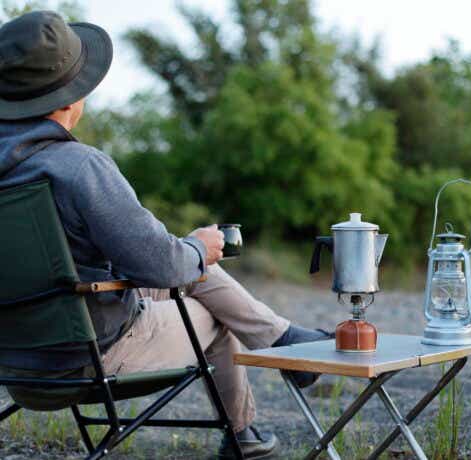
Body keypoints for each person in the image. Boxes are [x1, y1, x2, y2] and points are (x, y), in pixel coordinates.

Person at [0, 11, 330, 459]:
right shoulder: (80, 168)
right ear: (71, 100)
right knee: (210, 310)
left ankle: (285, 338)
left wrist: (188, 254)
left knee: (197, 271)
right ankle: (243, 436)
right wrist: (198, 247)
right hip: (84, 356)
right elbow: (162, 265)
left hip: (16, 363)